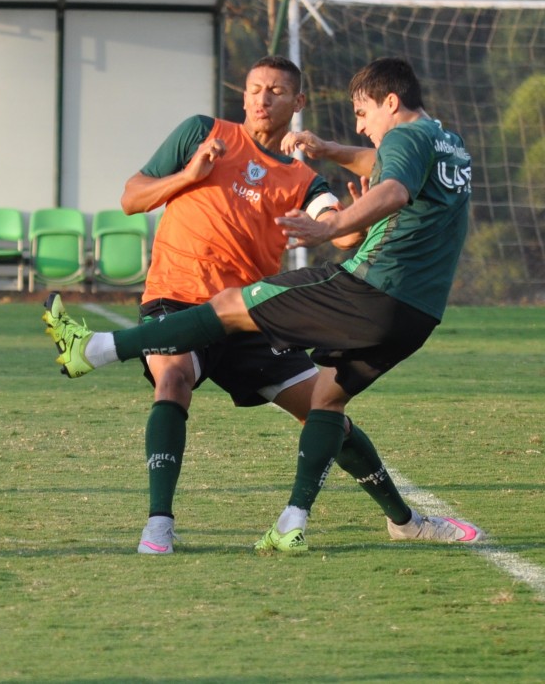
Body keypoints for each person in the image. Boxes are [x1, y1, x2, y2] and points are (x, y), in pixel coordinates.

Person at [45, 57, 483, 551]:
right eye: (254, 88)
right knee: (173, 379)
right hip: (178, 294)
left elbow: (340, 228)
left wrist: (348, 223)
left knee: (326, 409)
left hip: (251, 318)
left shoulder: (303, 178)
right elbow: (131, 198)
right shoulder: (201, 133)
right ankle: (159, 525)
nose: (261, 98)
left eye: (275, 90)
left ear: (297, 103)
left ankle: (404, 519)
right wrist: (189, 175)